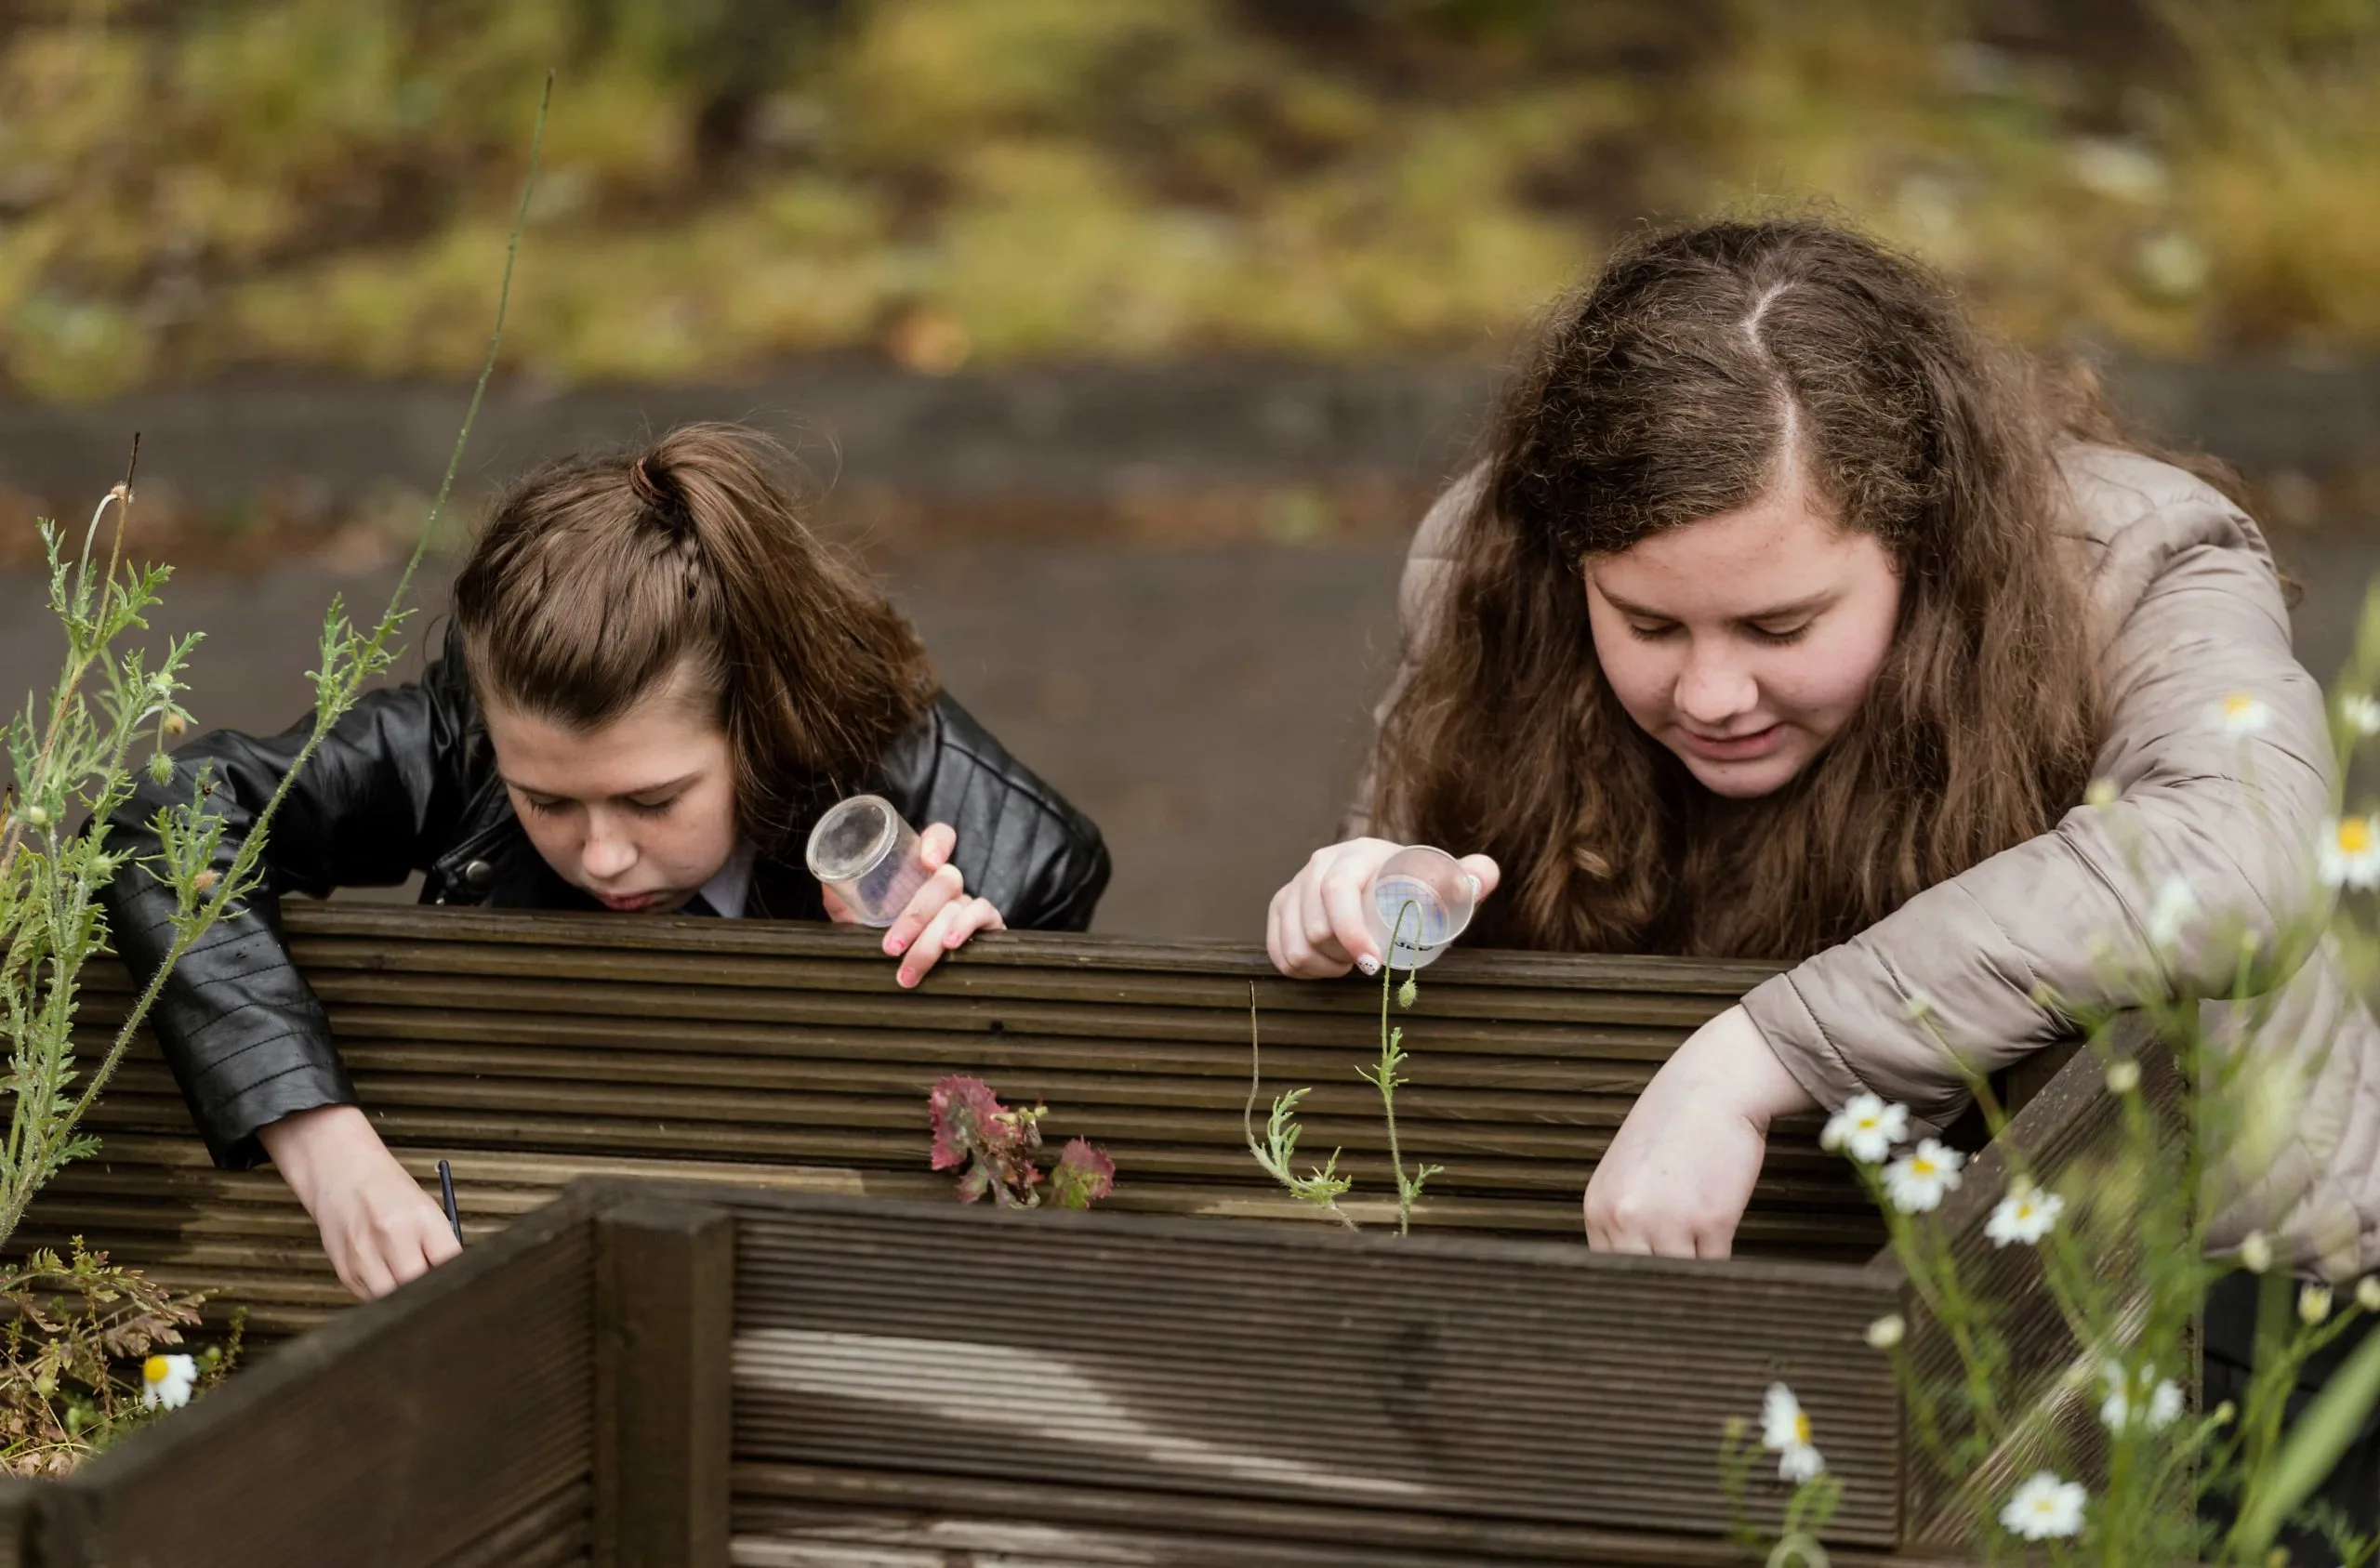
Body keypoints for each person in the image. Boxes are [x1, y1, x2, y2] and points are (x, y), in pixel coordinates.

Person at [1265, 221, 2379, 1525]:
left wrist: (1752, 1058)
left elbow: (2228, 865)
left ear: (1926, 547)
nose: (1711, 691)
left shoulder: (2141, 560)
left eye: (1780, 624)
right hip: (1788, 1290)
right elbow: (1430, 857)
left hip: (2231, 1301)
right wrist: (1396, 894)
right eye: (1645, 622)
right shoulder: (1494, 552)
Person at [103, 422, 1110, 1300]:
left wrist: (916, 994)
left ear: (758, 725)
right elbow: (165, 822)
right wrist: (325, 1147)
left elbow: (1016, 1217)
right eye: (544, 799)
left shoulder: (1001, 840)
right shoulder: (463, 741)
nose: (603, 853)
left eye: (652, 799)